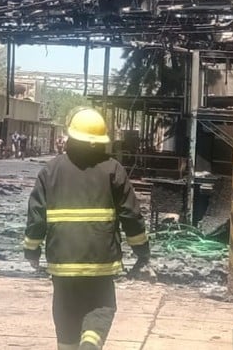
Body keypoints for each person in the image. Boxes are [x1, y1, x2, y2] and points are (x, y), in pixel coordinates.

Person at [23, 108, 150, 350]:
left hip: (62, 261)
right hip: (100, 260)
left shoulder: (50, 170)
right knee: (101, 306)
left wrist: (31, 250)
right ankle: (90, 344)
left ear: (71, 137)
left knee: (65, 310)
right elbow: (131, 215)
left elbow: (36, 217)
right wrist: (142, 251)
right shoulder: (113, 169)